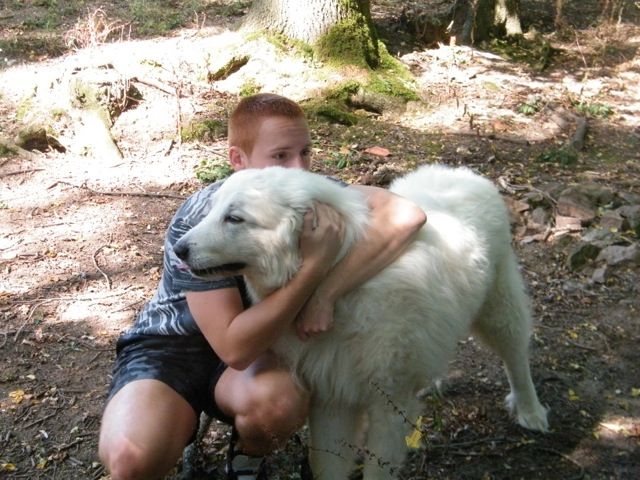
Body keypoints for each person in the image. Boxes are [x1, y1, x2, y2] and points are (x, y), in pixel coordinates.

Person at [98, 93, 426, 479]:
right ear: (238, 160)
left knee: (278, 404)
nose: (298, 169)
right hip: (173, 348)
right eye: (281, 156)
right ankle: (173, 422)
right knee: (130, 458)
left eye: (305, 153)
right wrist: (316, 267)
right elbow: (234, 346)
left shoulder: (300, 193)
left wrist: (326, 294)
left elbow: (409, 214)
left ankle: (247, 460)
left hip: (258, 353)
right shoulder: (197, 222)